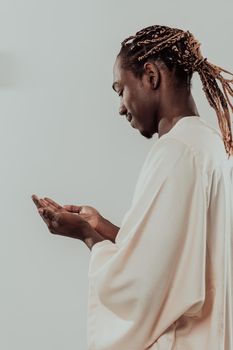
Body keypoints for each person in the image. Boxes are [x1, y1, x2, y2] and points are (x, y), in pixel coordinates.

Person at [32, 25, 233, 349]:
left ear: (151, 76)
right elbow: (176, 254)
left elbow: (146, 284)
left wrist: (87, 235)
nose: (121, 107)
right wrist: (101, 225)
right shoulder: (211, 144)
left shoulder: (177, 152)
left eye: (120, 90)